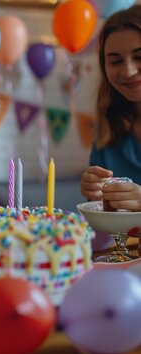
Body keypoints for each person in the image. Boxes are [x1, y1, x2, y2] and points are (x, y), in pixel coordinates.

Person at [80, 5, 141, 212]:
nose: (129, 70)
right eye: (115, 61)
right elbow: (104, 228)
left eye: (139, 57)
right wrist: (94, 197)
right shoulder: (107, 130)